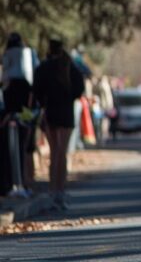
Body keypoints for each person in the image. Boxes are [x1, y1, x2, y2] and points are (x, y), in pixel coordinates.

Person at [33, 38, 85, 210]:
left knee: (54, 151)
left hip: (50, 113)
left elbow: (37, 90)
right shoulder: (70, 66)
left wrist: (43, 103)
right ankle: (60, 191)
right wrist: (69, 98)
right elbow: (80, 88)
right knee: (62, 152)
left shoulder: (44, 68)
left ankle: (52, 189)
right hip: (66, 113)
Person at [1, 32, 40, 195]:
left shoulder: (9, 81)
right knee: (22, 148)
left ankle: (17, 182)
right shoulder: (24, 82)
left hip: (14, 112)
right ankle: (21, 182)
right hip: (22, 113)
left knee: (18, 149)